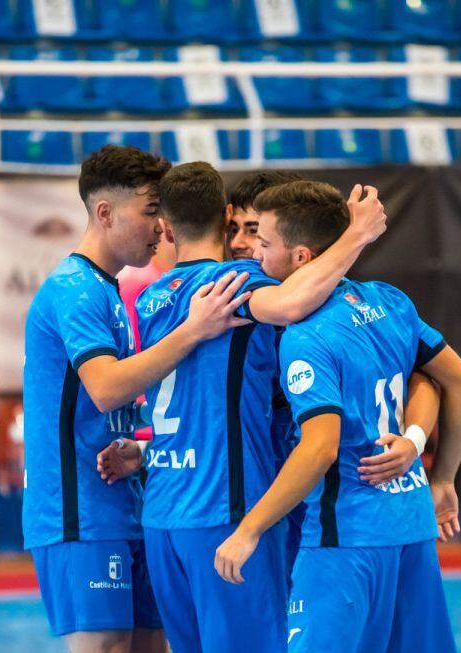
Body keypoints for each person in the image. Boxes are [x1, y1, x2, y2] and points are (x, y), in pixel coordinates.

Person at [98, 162, 387, 653]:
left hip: (164, 511)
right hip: (223, 507)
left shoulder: (149, 298)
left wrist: (145, 454)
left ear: (165, 227)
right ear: (228, 215)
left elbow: (197, 401)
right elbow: (292, 303)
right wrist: (356, 235)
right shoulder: (234, 281)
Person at [213, 180, 461, 653]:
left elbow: (319, 447)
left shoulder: (305, 336)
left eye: (264, 241)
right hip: (411, 520)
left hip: (344, 534)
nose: (252, 251)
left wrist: (249, 529)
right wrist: (439, 476)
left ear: (300, 258)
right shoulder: (389, 301)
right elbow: (460, 382)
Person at [22, 146, 251, 653]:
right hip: (78, 511)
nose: (161, 225)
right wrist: (194, 330)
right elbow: (105, 388)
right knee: (105, 644)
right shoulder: (74, 290)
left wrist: (143, 453)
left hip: (129, 502)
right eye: (151, 211)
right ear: (105, 213)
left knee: (153, 644)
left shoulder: (111, 291)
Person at [225, 170, 307, 586]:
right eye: (233, 228)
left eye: (254, 231)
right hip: (250, 484)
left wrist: (414, 437)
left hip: (317, 490)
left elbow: (436, 373)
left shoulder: (335, 308)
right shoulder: (223, 303)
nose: (239, 242)